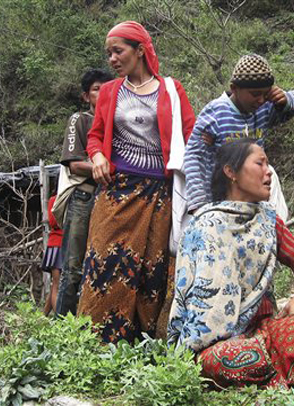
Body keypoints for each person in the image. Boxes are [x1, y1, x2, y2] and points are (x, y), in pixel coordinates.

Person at [168, 139, 294, 398]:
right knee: (222, 360)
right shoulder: (203, 226)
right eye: (260, 163)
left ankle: (267, 373)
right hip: (215, 344)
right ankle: (282, 372)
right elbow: (190, 303)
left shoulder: (267, 221)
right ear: (231, 172)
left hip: (265, 332)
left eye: (268, 164)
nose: (268, 172)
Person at [78, 21, 195, 344]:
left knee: (150, 268)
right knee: (105, 260)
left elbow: (191, 136)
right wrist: (98, 156)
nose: (112, 59)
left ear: (140, 51)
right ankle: (96, 341)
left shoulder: (171, 91)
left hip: (158, 192)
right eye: (109, 53)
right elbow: (96, 136)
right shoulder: (111, 92)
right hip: (116, 191)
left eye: (118, 51)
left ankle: (142, 341)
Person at [183, 54, 294, 220]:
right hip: (221, 203)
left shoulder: (264, 109)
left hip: (254, 198)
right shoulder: (216, 114)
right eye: (255, 94)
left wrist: (285, 100)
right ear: (234, 88)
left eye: (266, 94)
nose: (261, 100)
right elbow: (194, 157)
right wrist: (200, 204)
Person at [54, 69, 113, 316]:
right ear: (86, 96)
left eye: (106, 89)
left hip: (110, 200)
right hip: (84, 197)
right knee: (73, 267)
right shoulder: (81, 120)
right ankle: (62, 328)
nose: (102, 94)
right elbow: (74, 163)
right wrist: (109, 170)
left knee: (102, 265)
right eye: (96, 89)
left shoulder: (116, 123)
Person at [41, 195, 63, 316]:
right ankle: (60, 321)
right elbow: (53, 222)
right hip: (57, 244)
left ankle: (43, 316)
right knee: (57, 284)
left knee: (56, 284)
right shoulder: (54, 199)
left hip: (63, 244)